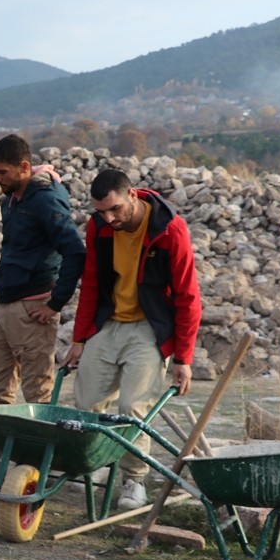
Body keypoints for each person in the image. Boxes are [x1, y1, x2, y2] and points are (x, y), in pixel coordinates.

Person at [0, 134, 85, 483]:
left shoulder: (45, 201)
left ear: (25, 167)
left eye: (3, 172)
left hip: (32, 305)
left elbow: (75, 252)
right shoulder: (14, 198)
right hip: (7, 305)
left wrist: (55, 302)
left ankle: (38, 467)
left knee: (37, 391)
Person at [64, 169, 202, 510]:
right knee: (88, 401)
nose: (108, 218)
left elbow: (188, 297)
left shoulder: (169, 230)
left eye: (114, 210)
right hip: (108, 322)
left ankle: (133, 480)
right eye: (101, 211)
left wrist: (183, 359)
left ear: (133, 196)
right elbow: (92, 282)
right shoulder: (99, 226)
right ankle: (94, 465)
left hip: (149, 326)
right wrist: (80, 338)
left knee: (132, 409)